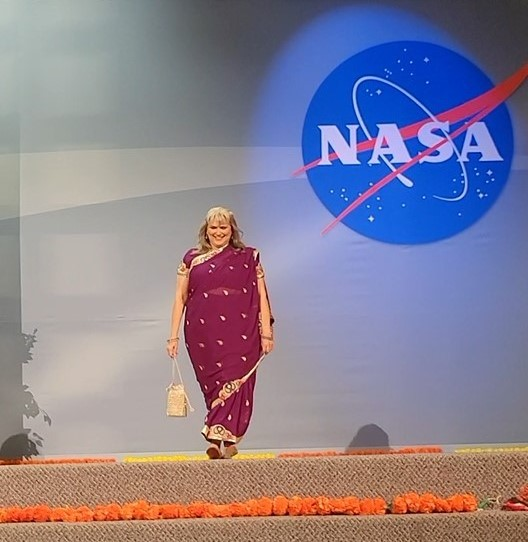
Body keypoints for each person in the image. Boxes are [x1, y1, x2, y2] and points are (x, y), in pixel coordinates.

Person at [166, 206, 274, 459]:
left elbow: (261, 295)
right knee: (214, 385)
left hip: (241, 330)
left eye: (223, 227)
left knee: (235, 380)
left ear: (232, 229)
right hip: (202, 330)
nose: (218, 232)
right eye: (213, 227)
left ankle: (220, 438)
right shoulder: (191, 259)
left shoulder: (248, 256)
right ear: (206, 230)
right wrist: (173, 336)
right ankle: (221, 438)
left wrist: (267, 332)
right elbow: (180, 299)